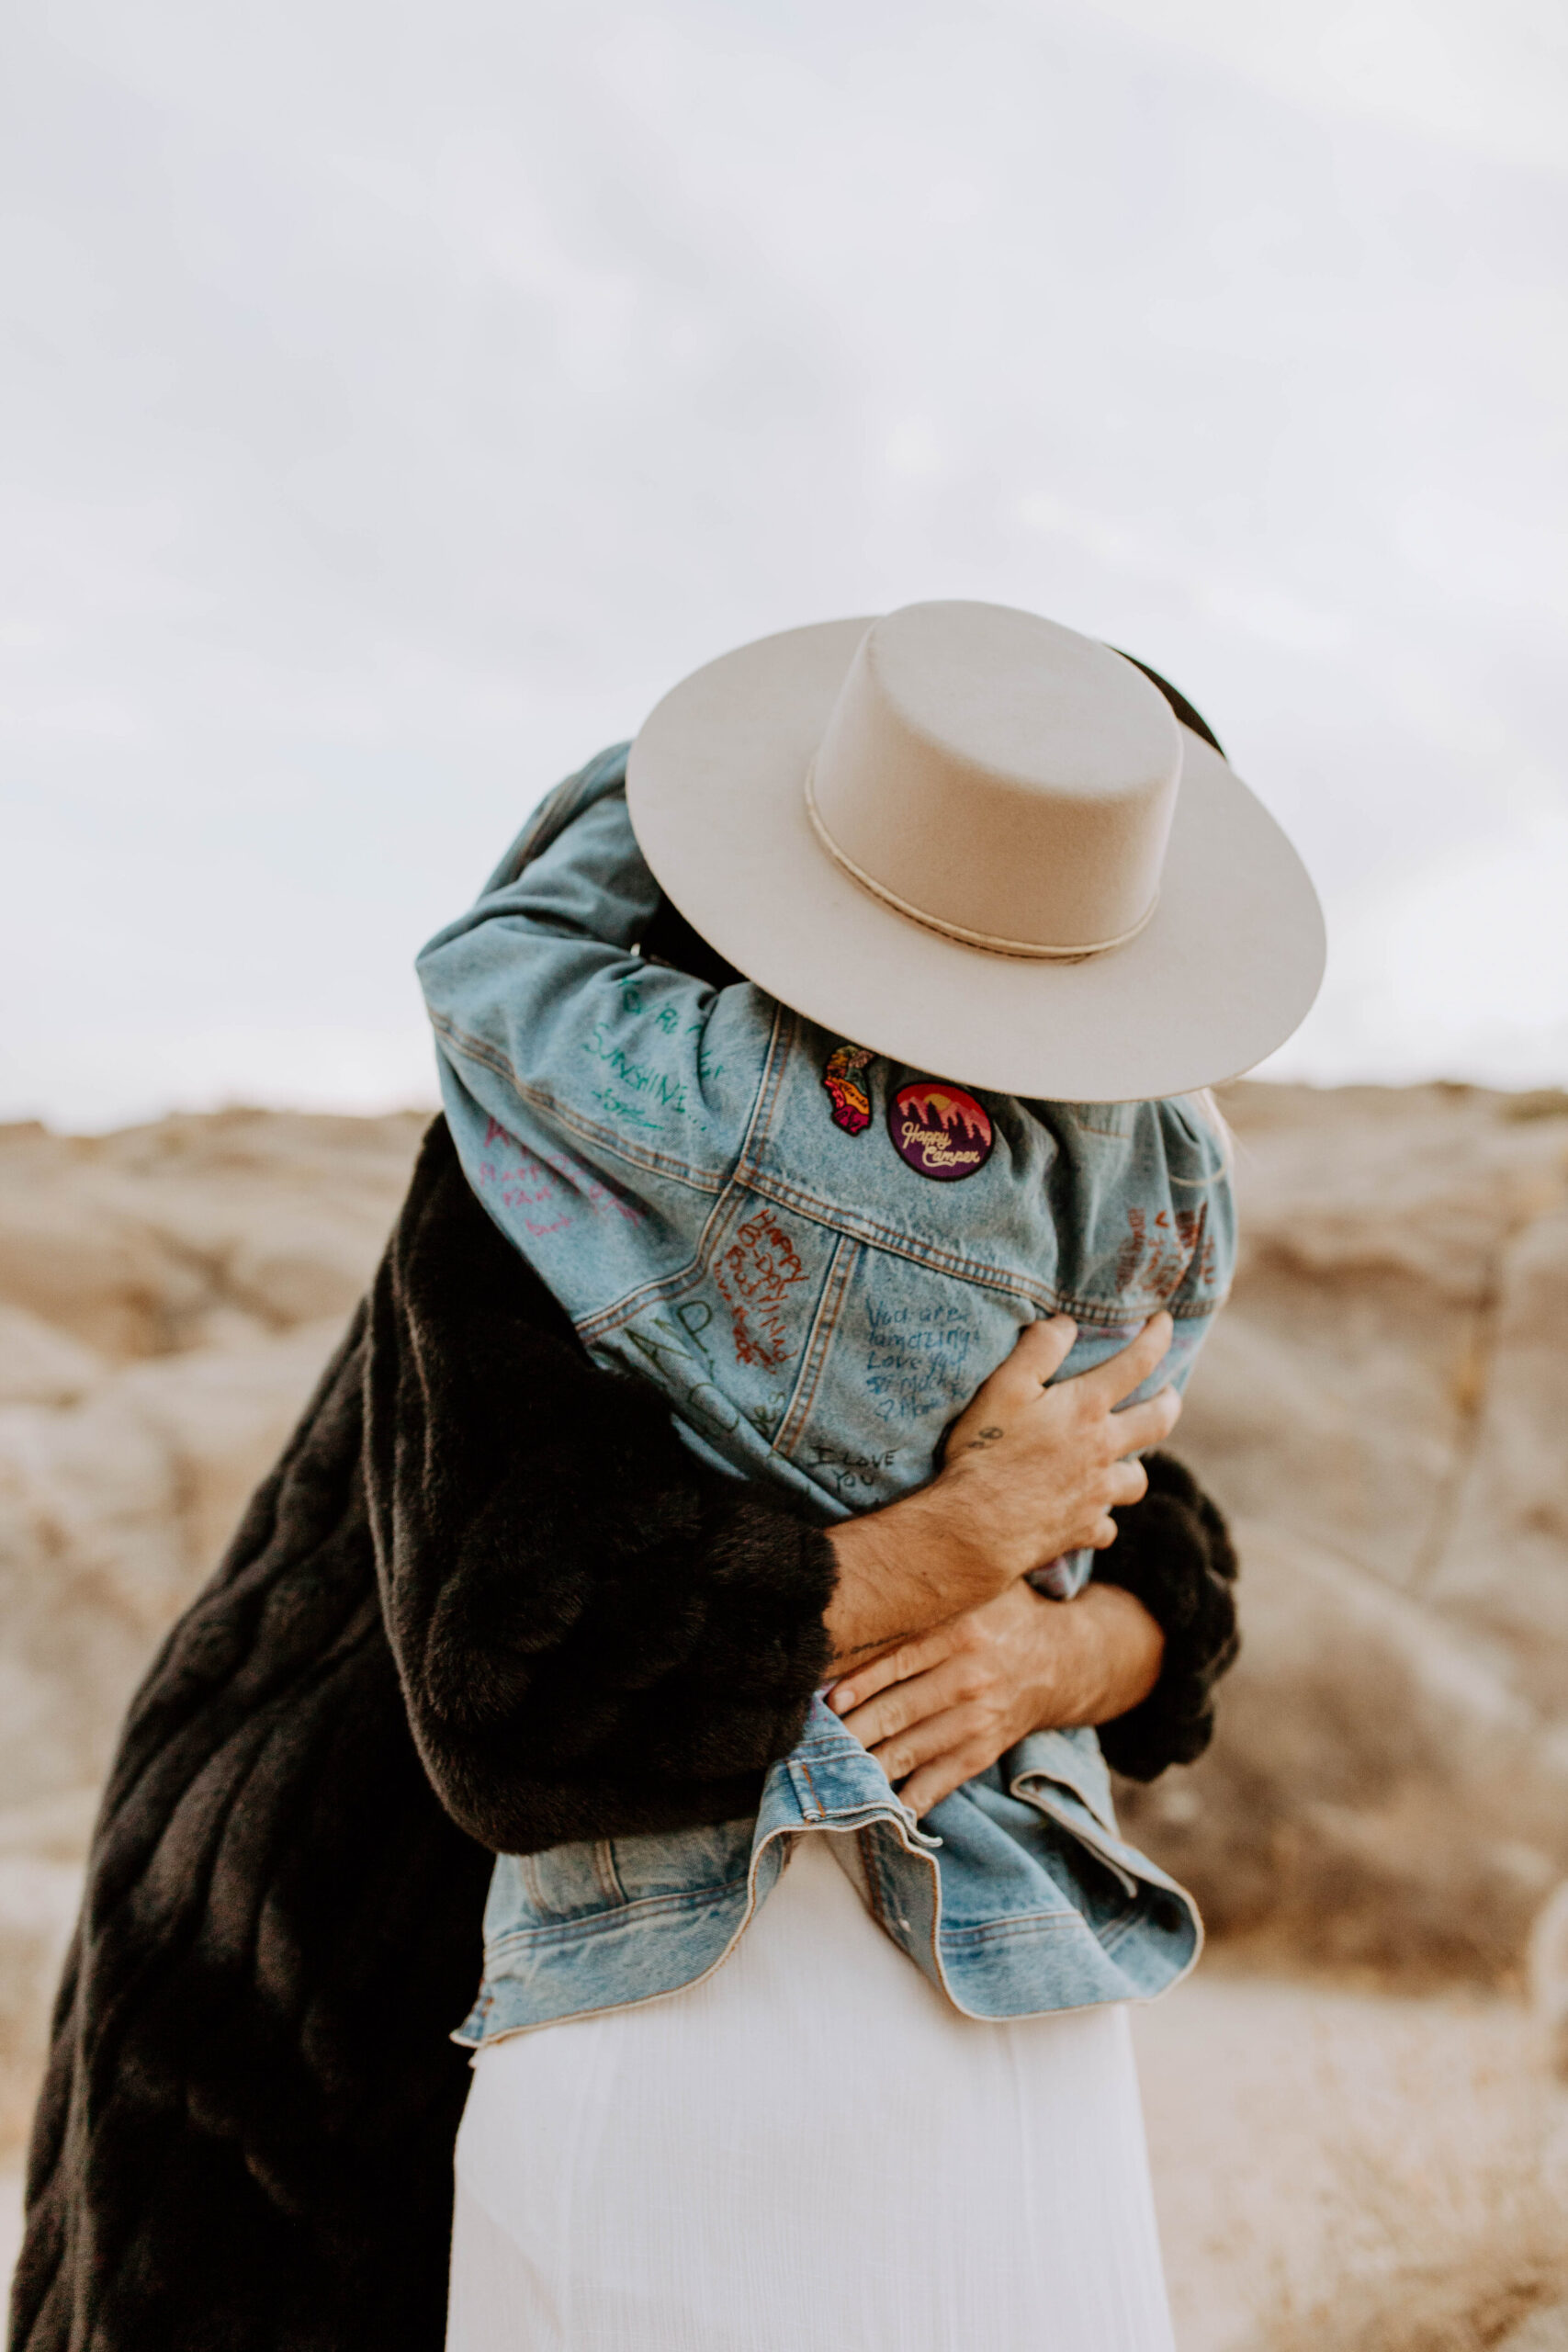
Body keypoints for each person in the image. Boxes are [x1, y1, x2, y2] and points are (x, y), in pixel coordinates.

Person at [414, 601, 1324, 2350]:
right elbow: (500, 1691)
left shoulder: (598, 1118)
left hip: (717, 1994)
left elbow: (1164, 1577)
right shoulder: (1162, 1200)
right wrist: (966, 1549)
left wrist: (1057, 1646)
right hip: (946, 1985)